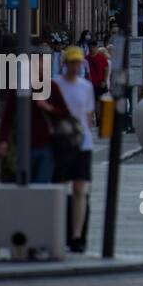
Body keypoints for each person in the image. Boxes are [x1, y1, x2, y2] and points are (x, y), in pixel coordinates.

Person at [53, 46, 97, 253]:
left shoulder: (86, 86)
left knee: (80, 188)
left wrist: (85, 134)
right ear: (65, 64)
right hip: (62, 142)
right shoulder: (56, 84)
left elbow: (88, 116)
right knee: (60, 187)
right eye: (71, 62)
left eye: (78, 62)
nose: (75, 66)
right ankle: (60, 231)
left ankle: (78, 235)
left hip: (82, 142)